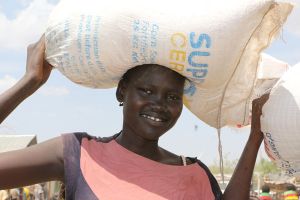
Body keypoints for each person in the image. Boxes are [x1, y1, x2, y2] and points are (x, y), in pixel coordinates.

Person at [0, 35, 269, 199]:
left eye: (173, 97)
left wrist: (255, 136)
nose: (159, 105)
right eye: (147, 90)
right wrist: (29, 82)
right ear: (122, 92)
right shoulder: (78, 153)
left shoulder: (192, 173)